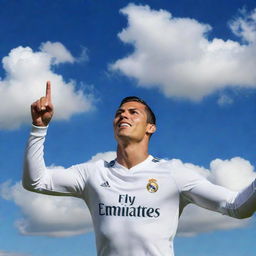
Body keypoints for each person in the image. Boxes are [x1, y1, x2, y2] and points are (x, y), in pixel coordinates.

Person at [23, 81, 256, 256]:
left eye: (133, 112)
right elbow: (36, 181)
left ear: (150, 128)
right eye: (119, 113)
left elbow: (237, 206)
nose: (123, 114)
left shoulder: (174, 174)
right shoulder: (93, 173)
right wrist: (38, 127)